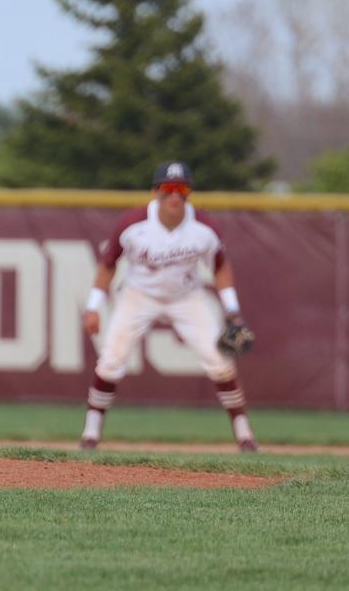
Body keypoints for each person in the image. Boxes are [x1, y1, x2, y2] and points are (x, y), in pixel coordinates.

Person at [77, 160, 259, 452]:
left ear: (189, 193)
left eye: (182, 189)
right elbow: (108, 264)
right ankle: (90, 433)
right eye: (168, 188)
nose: (175, 196)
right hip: (139, 295)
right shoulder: (133, 223)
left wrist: (232, 309)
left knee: (221, 362)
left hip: (186, 296)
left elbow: (220, 267)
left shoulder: (203, 227)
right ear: (155, 192)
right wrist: (93, 306)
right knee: (111, 359)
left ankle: (245, 435)